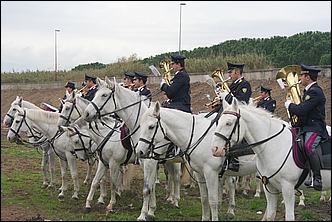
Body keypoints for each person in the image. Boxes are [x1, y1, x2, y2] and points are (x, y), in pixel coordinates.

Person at [285, 63, 328, 191]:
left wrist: (290, 105)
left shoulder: (315, 92)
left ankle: (317, 178)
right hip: (306, 126)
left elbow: (303, 109)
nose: (299, 78)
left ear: (308, 77)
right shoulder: (308, 91)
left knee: (309, 146)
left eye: (301, 76)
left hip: (315, 127)